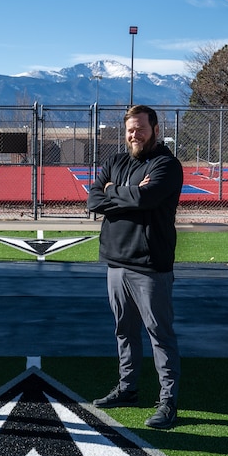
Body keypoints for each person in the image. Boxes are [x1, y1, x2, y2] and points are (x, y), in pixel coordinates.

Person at [86, 104, 184, 429]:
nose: (134, 134)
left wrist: (114, 192)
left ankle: (168, 402)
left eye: (140, 128)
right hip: (116, 262)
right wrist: (123, 193)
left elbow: (146, 200)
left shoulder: (167, 165)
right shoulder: (116, 161)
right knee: (124, 332)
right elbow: (93, 201)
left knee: (160, 334)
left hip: (149, 266)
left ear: (154, 128)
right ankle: (127, 389)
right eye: (130, 129)